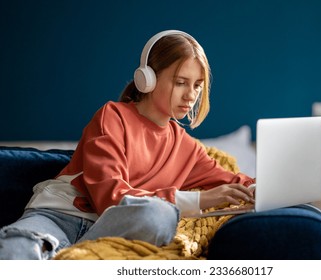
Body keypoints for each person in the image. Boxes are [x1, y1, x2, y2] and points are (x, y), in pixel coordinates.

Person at [0, 30, 255, 260]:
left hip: (111, 233)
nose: (190, 95)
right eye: (180, 82)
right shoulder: (112, 116)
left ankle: (75, 258)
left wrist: (260, 189)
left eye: (197, 86)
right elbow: (110, 198)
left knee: (159, 216)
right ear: (148, 79)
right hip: (59, 217)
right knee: (17, 248)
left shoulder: (188, 148)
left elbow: (234, 182)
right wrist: (200, 200)